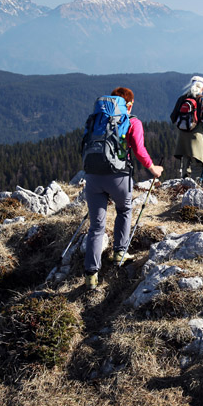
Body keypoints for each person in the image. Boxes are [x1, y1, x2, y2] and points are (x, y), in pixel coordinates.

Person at [83, 86, 163, 289]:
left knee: (96, 226)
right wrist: (153, 168)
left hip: (92, 176)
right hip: (118, 176)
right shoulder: (132, 122)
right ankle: (119, 253)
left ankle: (91, 275)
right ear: (130, 104)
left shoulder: (97, 120)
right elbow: (138, 147)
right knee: (124, 209)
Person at [170, 75, 203, 182]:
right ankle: (195, 189)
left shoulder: (182, 99)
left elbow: (173, 117)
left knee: (186, 165)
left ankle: (184, 187)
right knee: (200, 163)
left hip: (182, 138)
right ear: (202, 88)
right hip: (196, 137)